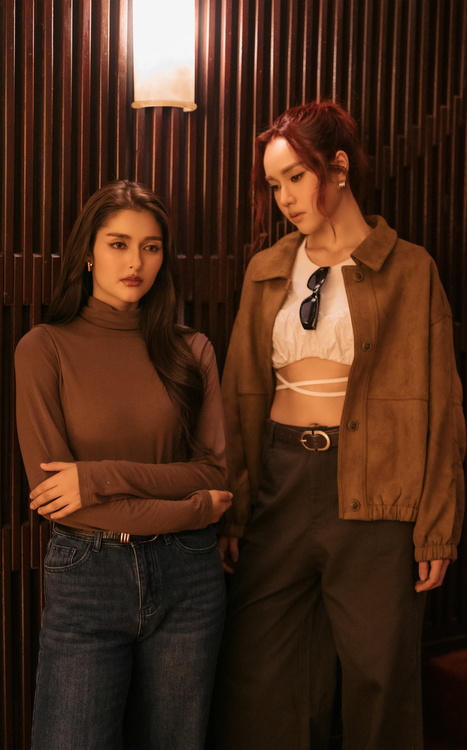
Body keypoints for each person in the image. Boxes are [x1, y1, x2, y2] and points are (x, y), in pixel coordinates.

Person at [210, 101, 465, 750]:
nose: (285, 198)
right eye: (274, 184)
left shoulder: (410, 269)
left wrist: (437, 525)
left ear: (339, 167)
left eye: (296, 176)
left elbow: (442, 406)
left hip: (377, 494)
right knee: (261, 681)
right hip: (280, 484)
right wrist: (236, 510)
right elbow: (240, 395)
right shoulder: (267, 269)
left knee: (380, 683)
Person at [14, 180, 232, 750]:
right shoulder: (44, 348)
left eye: (151, 247)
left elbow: (214, 474)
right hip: (89, 573)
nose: (135, 262)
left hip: (190, 579)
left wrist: (96, 478)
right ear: (88, 252)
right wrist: (192, 512)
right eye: (118, 244)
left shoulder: (193, 350)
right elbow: (55, 498)